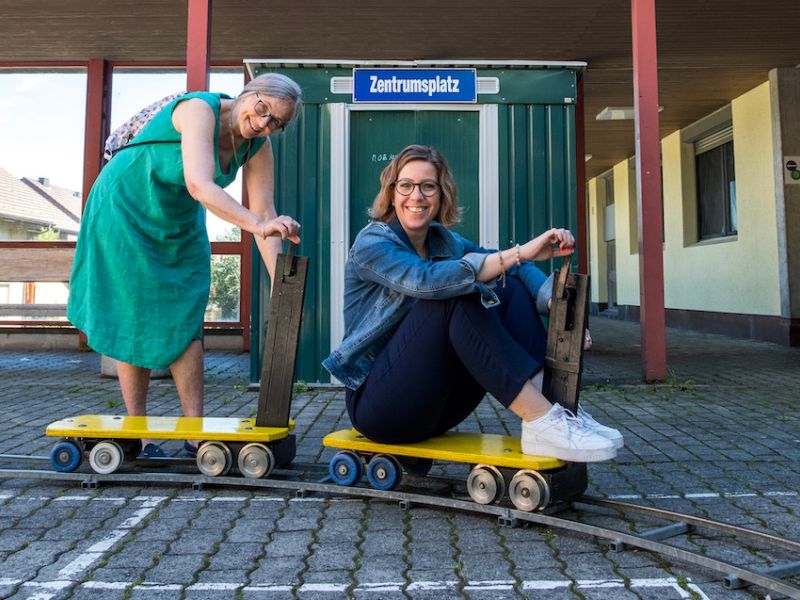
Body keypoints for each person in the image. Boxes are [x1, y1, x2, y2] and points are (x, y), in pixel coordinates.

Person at [323, 144, 622, 464]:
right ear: (392, 192)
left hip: (439, 405)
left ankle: (558, 409)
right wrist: (520, 251)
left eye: (428, 186)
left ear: (442, 194)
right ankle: (541, 420)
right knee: (454, 296)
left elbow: (513, 268)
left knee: (506, 285)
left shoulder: (445, 241)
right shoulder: (373, 242)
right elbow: (427, 280)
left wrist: (551, 301)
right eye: (406, 185)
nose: (416, 196)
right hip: (380, 407)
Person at [67, 73, 303, 458]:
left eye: (275, 122)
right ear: (249, 93)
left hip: (177, 215)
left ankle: (195, 432)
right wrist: (259, 225)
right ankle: (138, 432)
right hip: (125, 204)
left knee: (187, 309)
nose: (263, 123)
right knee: (133, 312)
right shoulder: (199, 109)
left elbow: (265, 212)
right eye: (262, 109)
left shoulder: (256, 146)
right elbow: (199, 184)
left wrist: (282, 286)